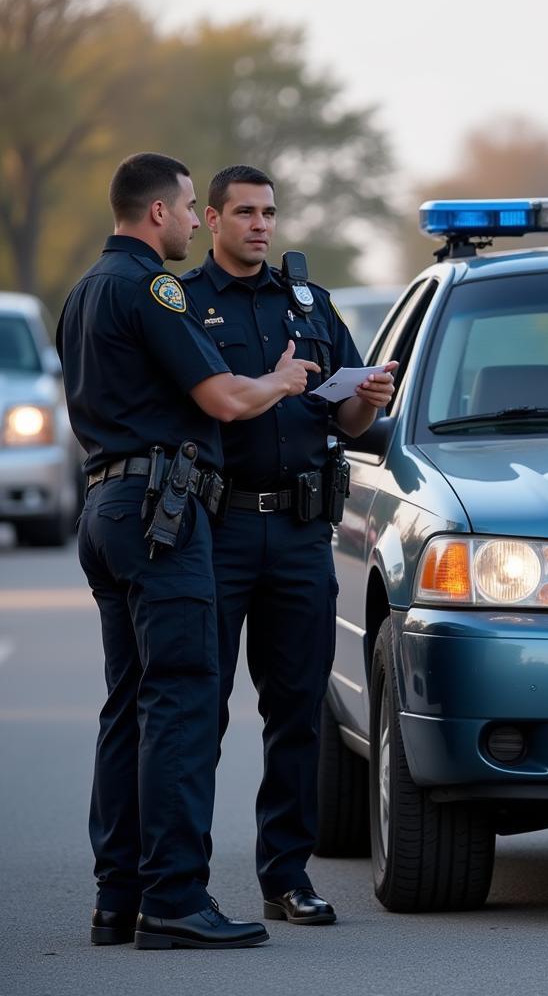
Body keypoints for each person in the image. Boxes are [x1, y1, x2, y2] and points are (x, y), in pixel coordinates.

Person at [58, 152, 320, 950]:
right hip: (158, 513)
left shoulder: (79, 294)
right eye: (183, 206)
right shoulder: (151, 286)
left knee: (129, 706)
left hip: (107, 504)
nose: (185, 220)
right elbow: (225, 399)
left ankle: (119, 898)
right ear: (163, 214)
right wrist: (280, 380)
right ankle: (174, 898)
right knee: (180, 700)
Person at [183, 165, 397, 925]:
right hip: (221, 529)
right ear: (211, 220)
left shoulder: (310, 305)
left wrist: (364, 401)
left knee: (298, 711)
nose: (261, 225)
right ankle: (186, 882)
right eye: (245, 212)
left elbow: (345, 422)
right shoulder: (189, 305)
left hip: (304, 532)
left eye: (269, 213)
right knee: (199, 712)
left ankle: (286, 876)